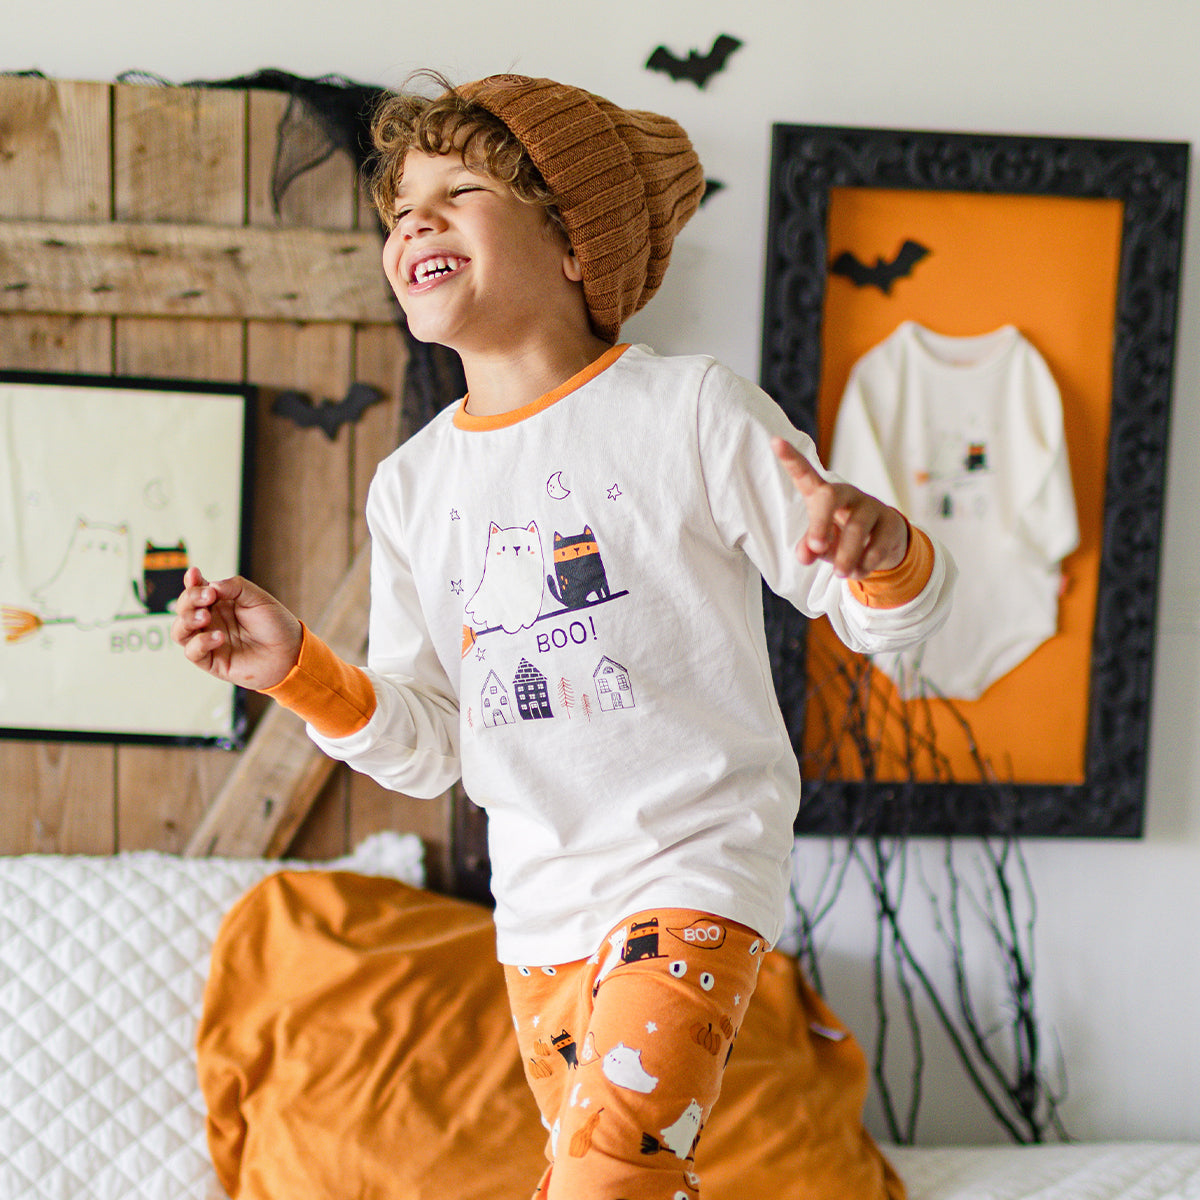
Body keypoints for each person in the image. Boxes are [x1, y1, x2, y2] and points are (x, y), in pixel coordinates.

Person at [173, 72, 955, 1200]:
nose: (416, 222)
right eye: (399, 212)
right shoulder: (410, 488)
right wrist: (298, 670)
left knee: (605, 1182)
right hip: (538, 918)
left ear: (576, 247)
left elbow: (882, 617)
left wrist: (877, 551)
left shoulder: (686, 412)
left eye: (462, 190)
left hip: (692, 872)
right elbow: (432, 742)